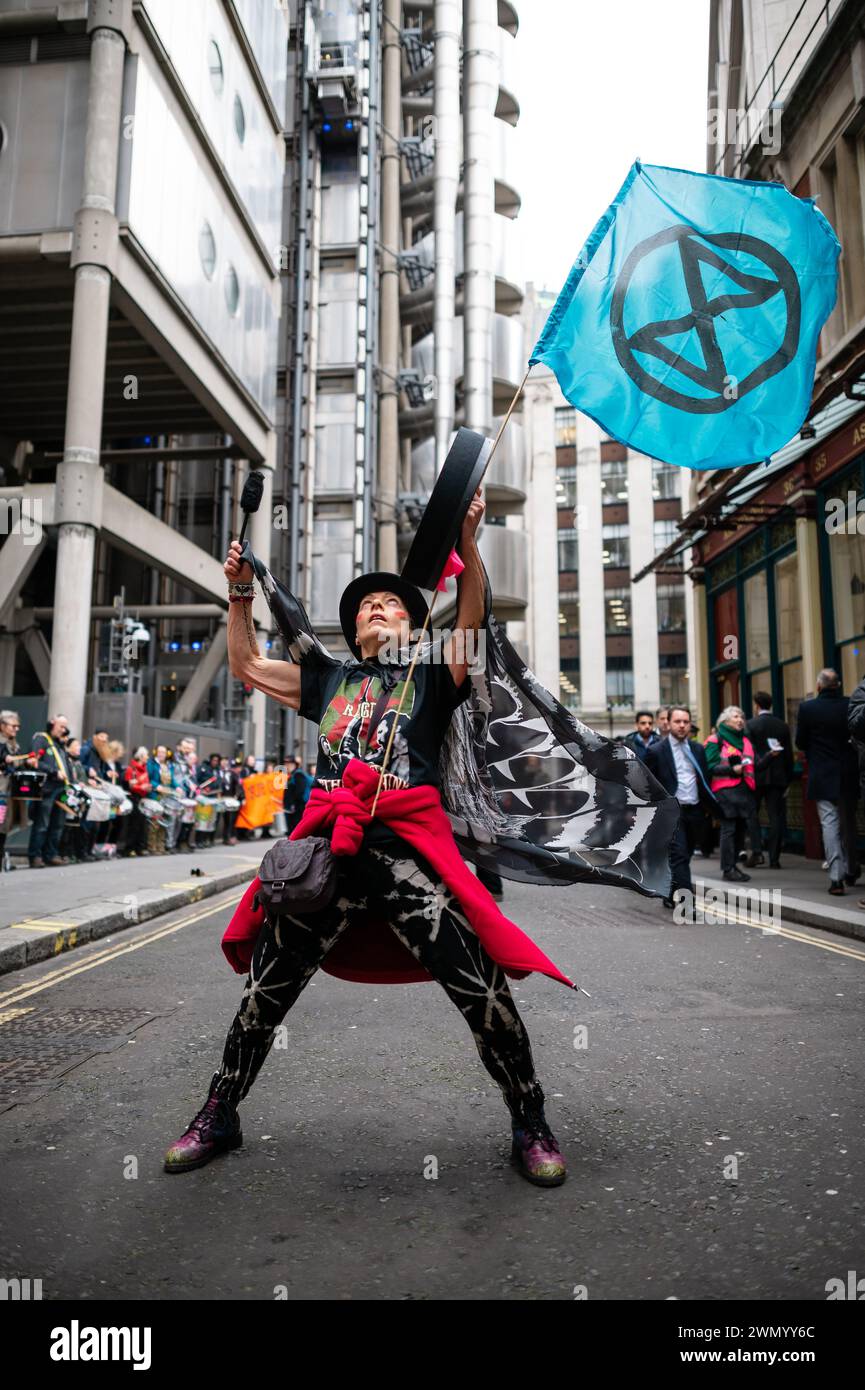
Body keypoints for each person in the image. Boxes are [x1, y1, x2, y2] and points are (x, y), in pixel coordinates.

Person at [165, 493, 577, 1188]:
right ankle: (219, 1111)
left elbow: (473, 618)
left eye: (390, 604)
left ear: (413, 625)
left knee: (480, 991)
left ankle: (529, 1119)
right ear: (354, 631)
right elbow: (248, 667)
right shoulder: (327, 678)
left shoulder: (434, 675)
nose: (377, 608)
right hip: (325, 856)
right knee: (263, 997)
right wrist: (239, 597)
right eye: (364, 606)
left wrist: (469, 545)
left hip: (409, 855)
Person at [645, 705, 717, 908]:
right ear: (668, 723)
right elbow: (647, 784)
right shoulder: (656, 751)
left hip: (694, 811)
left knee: (684, 857)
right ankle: (687, 904)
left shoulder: (698, 749)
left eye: (686, 722)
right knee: (679, 855)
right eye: (678, 721)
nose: (682, 726)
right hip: (671, 814)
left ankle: (669, 891)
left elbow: (704, 780)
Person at [796, 669, 860, 895]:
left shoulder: (807, 708)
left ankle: (836, 879)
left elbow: (800, 742)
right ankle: (852, 869)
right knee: (848, 823)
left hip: (822, 773)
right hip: (848, 772)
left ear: (818, 686)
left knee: (830, 825)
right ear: (839, 685)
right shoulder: (849, 704)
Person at [704, 706, 760, 884]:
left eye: (742, 717)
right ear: (726, 721)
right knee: (729, 829)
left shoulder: (745, 740)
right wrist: (731, 769)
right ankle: (727, 868)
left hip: (744, 790)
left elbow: (753, 764)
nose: (740, 720)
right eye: (736, 716)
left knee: (740, 830)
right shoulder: (715, 739)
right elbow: (709, 767)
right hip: (724, 790)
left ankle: (734, 866)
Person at [745, 691, 795, 869]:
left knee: (752, 814)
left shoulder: (750, 725)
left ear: (756, 705)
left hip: (757, 775)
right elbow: (788, 755)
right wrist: (788, 778)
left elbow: (749, 753)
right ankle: (774, 858)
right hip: (778, 777)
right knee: (776, 817)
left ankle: (757, 852)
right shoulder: (782, 725)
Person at [28, 714, 74, 868]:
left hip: (61, 788)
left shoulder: (59, 744)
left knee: (57, 824)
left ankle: (51, 854)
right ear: (52, 724)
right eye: (61, 726)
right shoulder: (41, 739)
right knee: (42, 824)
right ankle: (35, 856)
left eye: (65, 727)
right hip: (47, 787)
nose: (64, 730)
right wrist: (53, 772)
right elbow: (33, 761)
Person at [0, 709, 34, 869]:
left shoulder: (14, 744)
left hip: (10, 791)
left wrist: (28, 763)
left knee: (4, 827)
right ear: (2, 725)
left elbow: (17, 764)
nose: (16, 729)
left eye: (17, 726)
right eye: (13, 726)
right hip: (1, 791)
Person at [123, 746, 153, 857]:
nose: (148, 757)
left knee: (142, 824)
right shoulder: (131, 769)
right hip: (134, 798)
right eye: (146, 755)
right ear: (140, 756)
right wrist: (142, 787)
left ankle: (140, 847)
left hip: (143, 798)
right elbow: (131, 785)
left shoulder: (145, 769)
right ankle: (129, 848)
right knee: (134, 824)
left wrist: (148, 787)